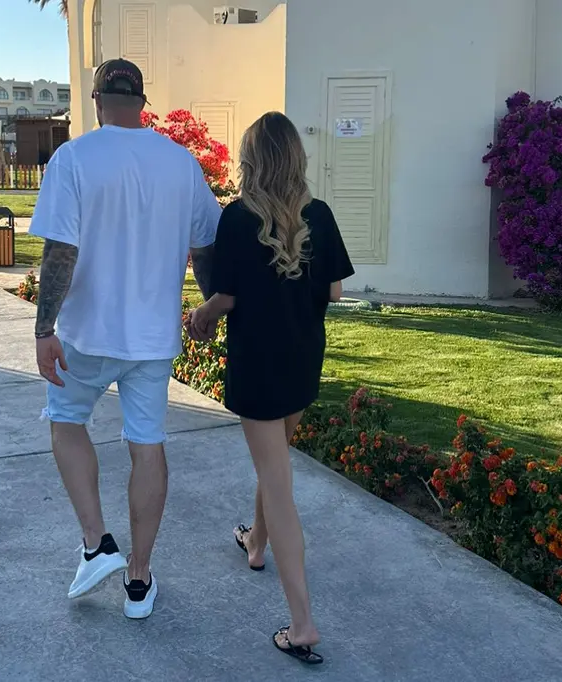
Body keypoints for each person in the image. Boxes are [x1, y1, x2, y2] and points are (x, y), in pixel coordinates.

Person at [29, 58, 221, 619]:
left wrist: (44, 328)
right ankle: (139, 578)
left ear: (96, 102)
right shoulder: (181, 163)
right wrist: (210, 308)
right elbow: (206, 246)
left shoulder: (73, 158)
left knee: (67, 422)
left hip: (86, 334)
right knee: (147, 446)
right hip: (152, 339)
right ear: (142, 103)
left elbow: (60, 251)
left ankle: (97, 545)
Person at [188, 112, 354, 664]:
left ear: (252, 160)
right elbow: (334, 291)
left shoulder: (238, 218)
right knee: (274, 462)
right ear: (296, 158)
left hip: (258, 366)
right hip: (302, 360)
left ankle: (302, 623)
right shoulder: (319, 215)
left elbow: (227, 297)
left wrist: (201, 316)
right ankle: (255, 543)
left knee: (278, 485)